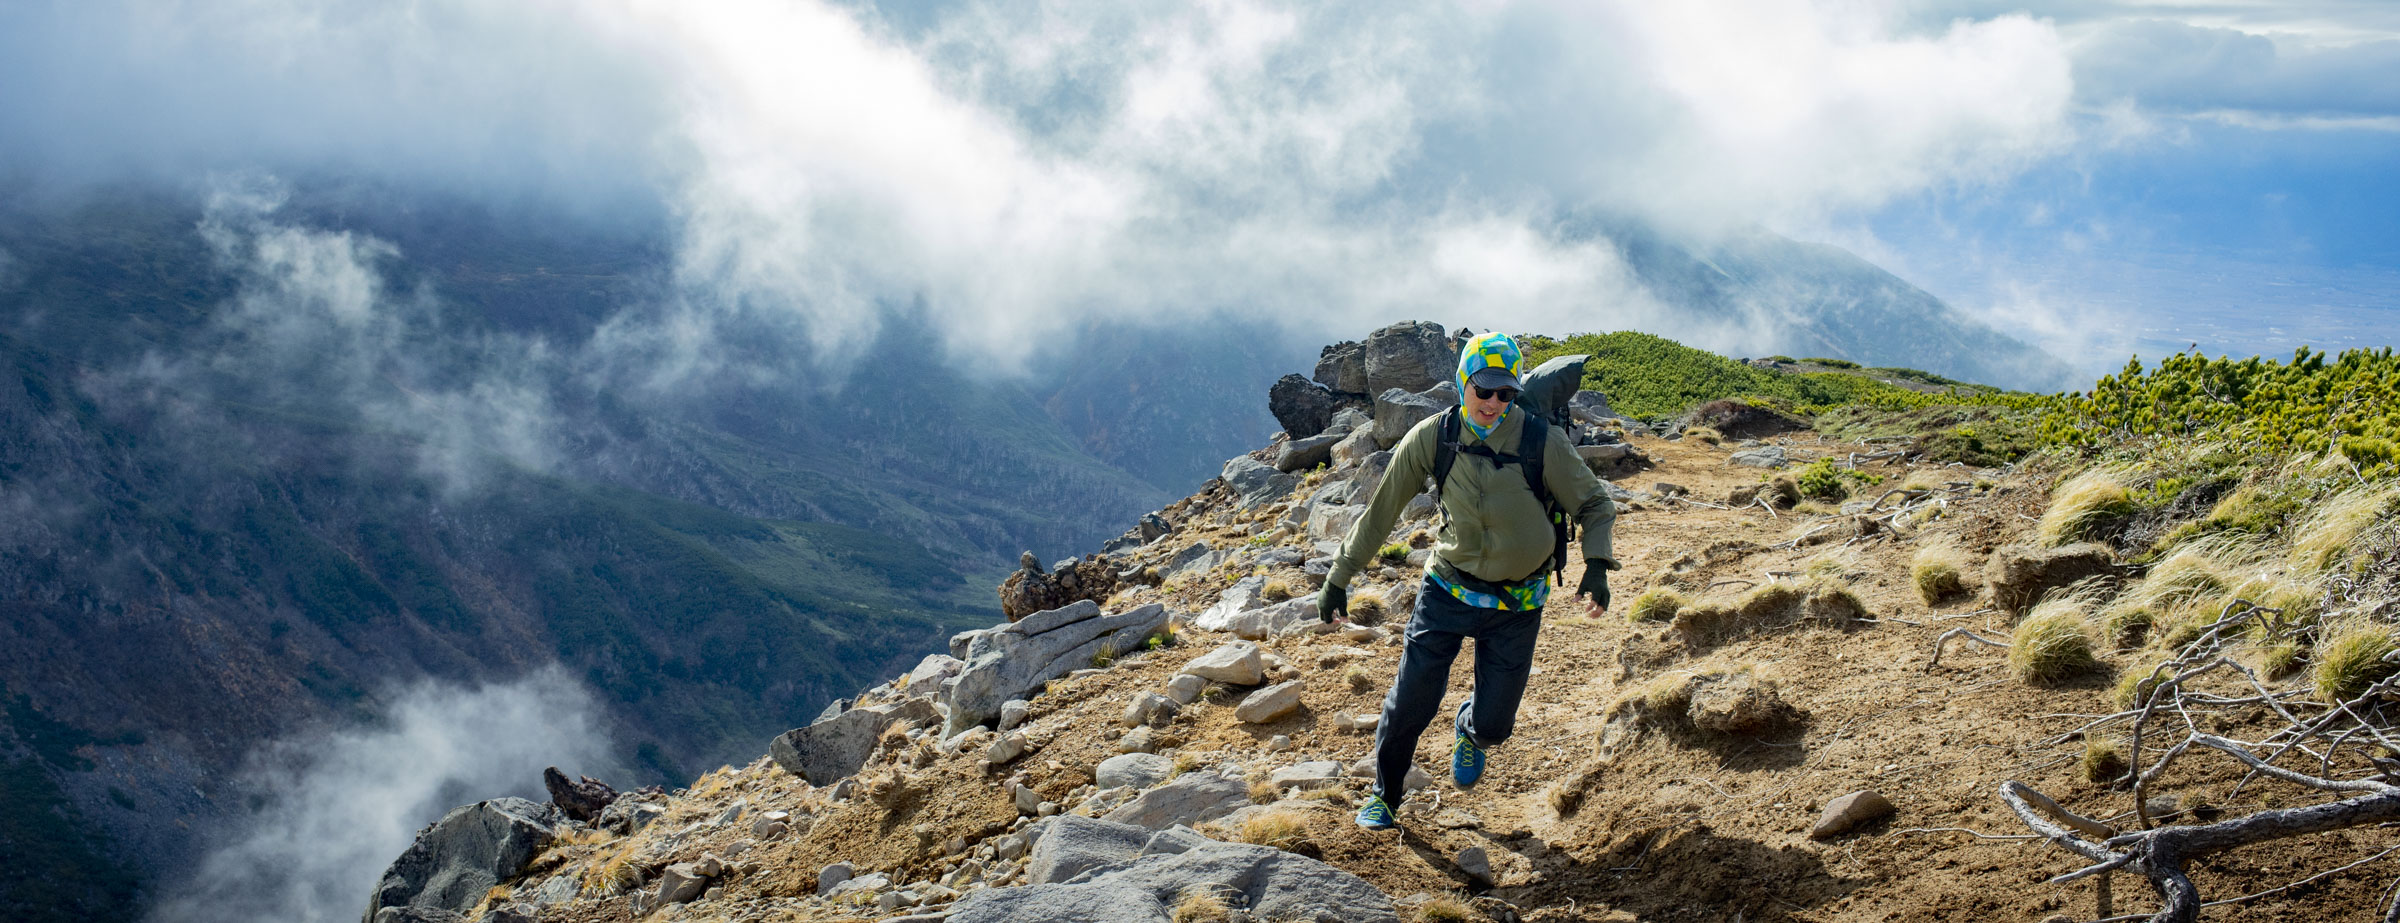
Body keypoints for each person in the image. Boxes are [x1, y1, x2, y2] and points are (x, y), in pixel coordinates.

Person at [1317, 330, 1618, 830]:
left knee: (1496, 727)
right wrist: (1339, 575)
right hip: (1448, 590)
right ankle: (1385, 795)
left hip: (1518, 603)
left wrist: (1598, 564)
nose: (1495, 402)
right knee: (1411, 701)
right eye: (1484, 390)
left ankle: (1470, 728)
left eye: (1506, 392)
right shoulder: (1434, 437)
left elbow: (1594, 504)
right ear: (1462, 384)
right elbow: (1381, 511)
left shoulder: (1541, 440)